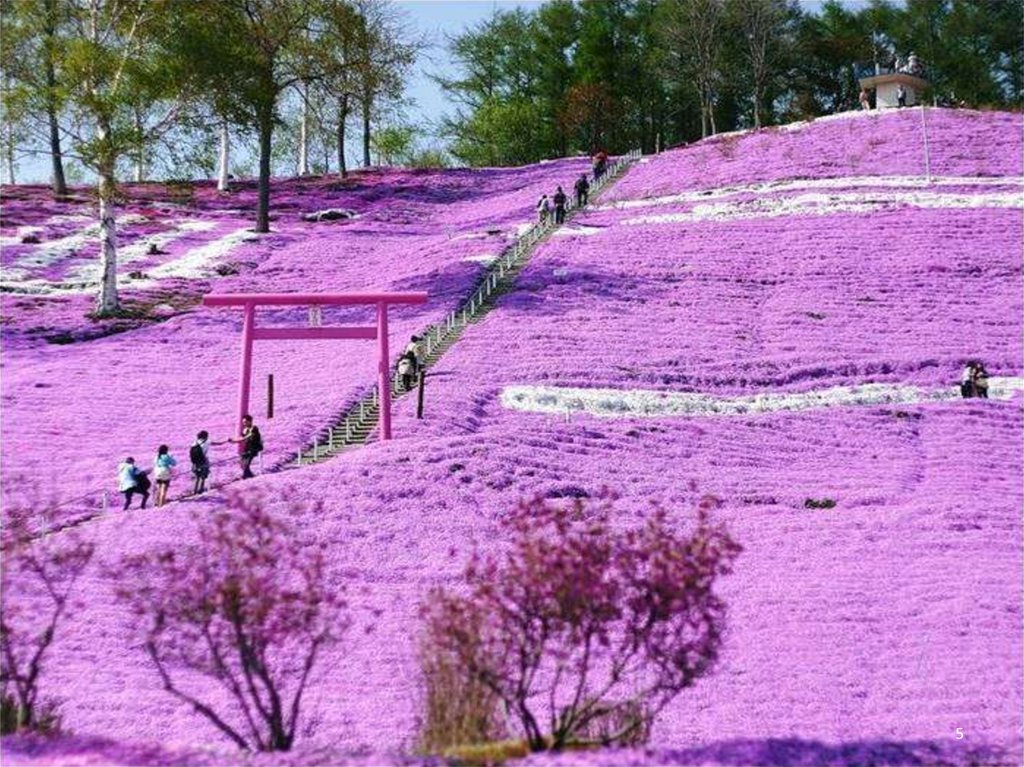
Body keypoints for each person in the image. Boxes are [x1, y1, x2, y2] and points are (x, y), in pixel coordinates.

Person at [228, 415, 263, 479]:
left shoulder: (254, 428)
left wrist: (235, 440)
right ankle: (249, 475)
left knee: (246, 463)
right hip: (247, 448)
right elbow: (241, 438)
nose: (244, 424)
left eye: (245, 422)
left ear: (250, 421)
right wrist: (233, 441)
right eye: (243, 422)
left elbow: (246, 437)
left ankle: (245, 476)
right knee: (242, 462)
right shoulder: (245, 430)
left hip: (254, 448)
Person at [189, 431, 211, 495]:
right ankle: (200, 490)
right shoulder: (207, 442)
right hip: (203, 461)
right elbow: (217, 443)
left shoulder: (194, 443)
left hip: (195, 462)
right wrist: (226, 440)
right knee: (203, 476)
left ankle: (194, 491)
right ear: (205, 436)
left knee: (197, 476)